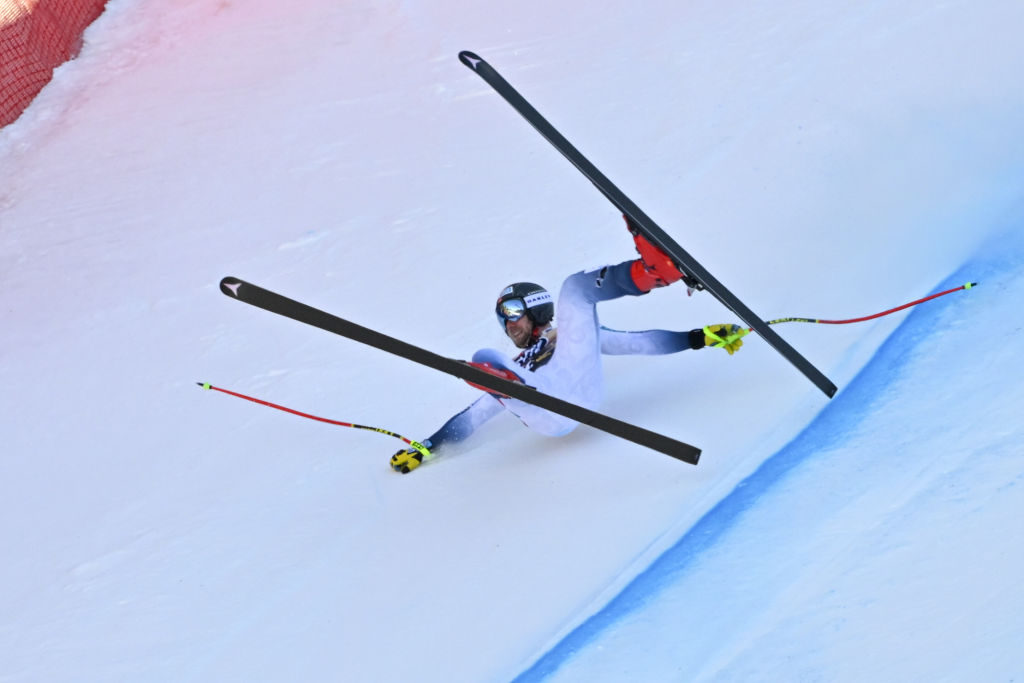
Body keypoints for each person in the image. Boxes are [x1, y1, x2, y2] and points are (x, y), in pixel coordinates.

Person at [390, 216, 747, 473]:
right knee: (486, 357)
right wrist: (428, 446)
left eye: (512, 311)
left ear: (534, 307)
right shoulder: (515, 361)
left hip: (577, 386)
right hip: (544, 411)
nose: (507, 322)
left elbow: (636, 344)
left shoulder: (570, 336)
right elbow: (473, 418)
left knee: (575, 289)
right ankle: (508, 387)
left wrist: (698, 338)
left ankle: (658, 271)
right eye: (503, 316)